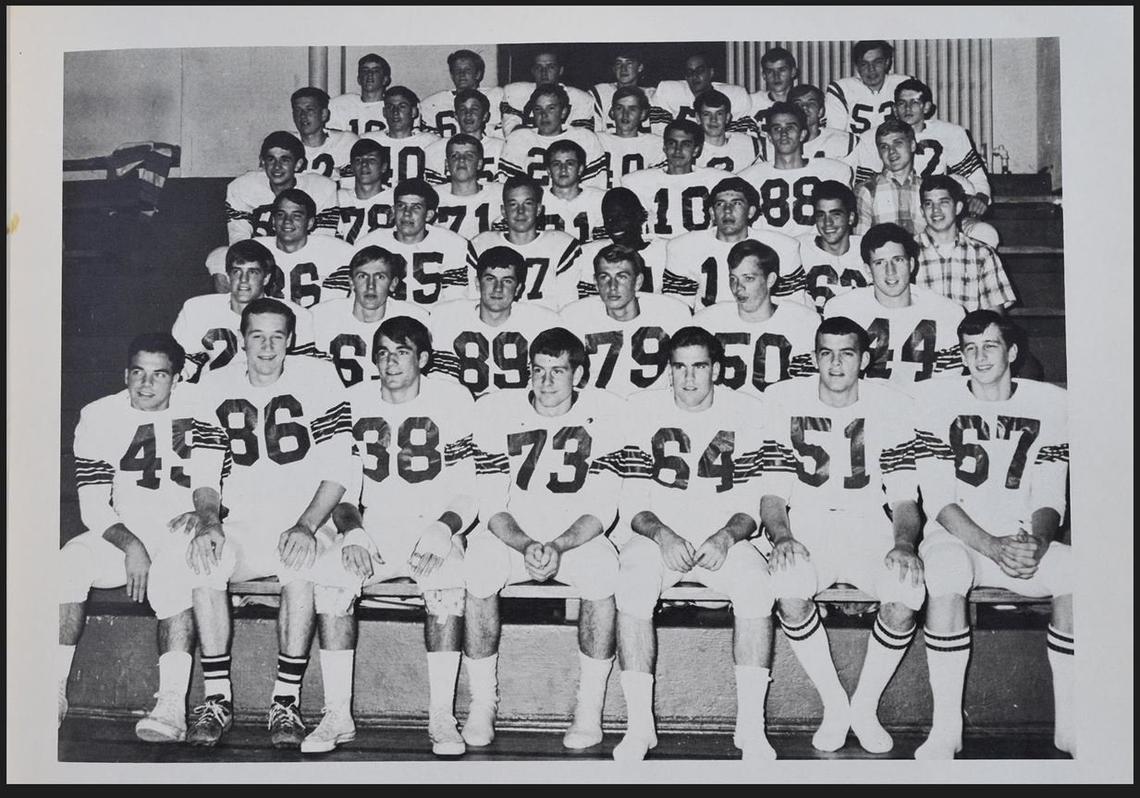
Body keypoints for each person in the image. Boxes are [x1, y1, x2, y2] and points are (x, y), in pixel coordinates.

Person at [153, 298, 356, 749]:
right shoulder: (216, 382)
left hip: (305, 519)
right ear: (241, 338)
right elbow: (204, 472)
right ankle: (218, 699)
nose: (267, 345)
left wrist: (305, 526)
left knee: (300, 568)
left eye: (277, 336)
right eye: (257, 335)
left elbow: (341, 470)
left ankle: (286, 701)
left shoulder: (319, 378)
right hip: (244, 520)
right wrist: (209, 521)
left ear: (292, 340)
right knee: (206, 559)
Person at [303, 316, 478, 756]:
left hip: (434, 523)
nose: (390, 361)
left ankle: (441, 714)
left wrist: (445, 527)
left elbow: (470, 485)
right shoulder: (353, 400)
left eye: (400, 351)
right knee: (330, 575)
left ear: (422, 358)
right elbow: (339, 486)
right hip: (375, 523)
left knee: (446, 582)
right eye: (381, 352)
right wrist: (353, 531)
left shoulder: (453, 397)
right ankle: (336, 712)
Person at [612, 326, 782, 761]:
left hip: (721, 538)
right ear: (669, 370)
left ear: (717, 369)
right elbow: (632, 503)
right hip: (659, 538)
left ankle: (751, 728)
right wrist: (663, 535)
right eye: (680, 367)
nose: (689, 378)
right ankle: (639, 728)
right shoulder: (639, 409)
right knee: (631, 585)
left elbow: (751, 502)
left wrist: (726, 536)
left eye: (699, 367)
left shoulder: (746, 410)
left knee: (757, 587)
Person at [912, 310, 1073, 758]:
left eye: (989, 346)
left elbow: (1050, 494)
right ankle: (946, 728)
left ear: (1013, 351)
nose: (979, 357)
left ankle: (1071, 724)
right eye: (969, 348)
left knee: (1076, 573)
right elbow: (939, 500)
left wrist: (1037, 543)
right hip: (959, 539)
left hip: (1021, 542)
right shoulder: (935, 402)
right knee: (943, 572)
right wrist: (991, 546)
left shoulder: (1048, 402)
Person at [762, 316, 926, 754]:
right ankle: (835, 704)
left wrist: (904, 544)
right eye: (826, 353)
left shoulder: (892, 404)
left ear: (865, 359)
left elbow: (905, 499)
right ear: (814, 357)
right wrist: (781, 537)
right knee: (788, 588)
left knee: (907, 591)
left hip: (868, 522)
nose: (835, 364)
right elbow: (773, 495)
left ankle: (865, 706)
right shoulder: (782, 400)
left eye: (847, 353)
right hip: (808, 522)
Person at [462, 327, 626, 750]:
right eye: (538, 370)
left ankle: (589, 707)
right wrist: (525, 544)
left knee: (604, 572)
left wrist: (558, 546)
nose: (546, 381)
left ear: (580, 377)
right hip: (514, 536)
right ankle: (483, 703)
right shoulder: (497, 411)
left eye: (558, 371)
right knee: (477, 568)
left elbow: (603, 508)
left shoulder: (608, 413)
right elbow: (491, 505)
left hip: (575, 538)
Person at [59, 334, 206, 742]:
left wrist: (208, 513)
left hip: (182, 529)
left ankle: (172, 706)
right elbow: (92, 507)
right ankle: (52, 691)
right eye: (138, 372)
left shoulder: (203, 407)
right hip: (124, 529)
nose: (146, 383)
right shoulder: (98, 415)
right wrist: (132, 545)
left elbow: (231, 481)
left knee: (175, 577)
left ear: (176, 379)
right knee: (68, 562)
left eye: (159, 374)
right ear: (125, 374)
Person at [825, 223, 965, 387]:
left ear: (911, 264)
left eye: (898, 260)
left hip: (925, 407)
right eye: (880, 262)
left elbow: (950, 385)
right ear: (867, 270)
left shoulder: (946, 312)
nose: (890, 271)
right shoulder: (843, 310)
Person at [174, 239, 316, 382]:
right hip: (215, 394)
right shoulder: (198, 309)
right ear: (228, 276)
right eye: (237, 271)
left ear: (266, 278)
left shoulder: (295, 315)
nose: (243, 279)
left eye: (253, 272)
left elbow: (304, 368)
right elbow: (182, 361)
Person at [560, 244, 692, 397]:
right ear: (596, 283)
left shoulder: (672, 312)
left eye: (622, 277)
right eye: (604, 277)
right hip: (596, 409)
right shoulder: (573, 317)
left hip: (654, 407)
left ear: (637, 282)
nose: (612, 286)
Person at [429, 246, 561, 398]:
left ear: (518, 288)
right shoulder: (447, 317)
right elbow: (441, 383)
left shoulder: (542, 321)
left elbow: (545, 386)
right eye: (490, 279)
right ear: (478, 283)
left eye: (507, 281)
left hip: (520, 413)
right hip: (462, 410)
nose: (498, 288)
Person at [693, 239, 819, 395]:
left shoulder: (803, 321)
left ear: (770, 279)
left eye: (748, 278)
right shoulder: (707, 321)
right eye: (733, 279)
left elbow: (806, 389)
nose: (738, 288)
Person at [852, 79, 992, 220]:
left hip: (937, 208)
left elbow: (975, 176)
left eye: (914, 102)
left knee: (983, 232)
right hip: (892, 208)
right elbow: (863, 185)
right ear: (894, 109)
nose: (907, 109)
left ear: (926, 107)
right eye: (902, 103)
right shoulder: (875, 137)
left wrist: (981, 197)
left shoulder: (951, 133)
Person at [663, 176, 804, 310]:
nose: (727, 210)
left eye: (736, 203)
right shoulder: (682, 248)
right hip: (706, 328)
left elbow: (791, 308)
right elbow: (677, 310)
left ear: (750, 212)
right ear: (712, 213)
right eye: (720, 204)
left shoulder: (782, 247)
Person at [310, 245, 431, 389]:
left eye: (380, 277)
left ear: (393, 284)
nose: (370, 286)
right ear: (351, 282)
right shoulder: (320, 316)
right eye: (362, 276)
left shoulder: (415, 317)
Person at [217, 131, 338, 273]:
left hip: (305, 257)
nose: (276, 166)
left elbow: (322, 241)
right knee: (218, 259)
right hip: (258, 257)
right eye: (271, 159)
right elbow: (239, 240)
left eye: (285, 160)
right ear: (262, 161)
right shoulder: (242, 187)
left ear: (298, 164)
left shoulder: (322, 188)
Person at [739, 102, 853, 240]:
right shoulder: (748, 177)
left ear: (803, 134)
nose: (784, 134)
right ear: (769, 137)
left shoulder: (834, 171)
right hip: (767, 252)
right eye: (777, 129)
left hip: (816, 252)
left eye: (790, 128)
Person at [468, 175, 582, 311]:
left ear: (539, 209)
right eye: (513, 204)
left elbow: (567, 306)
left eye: (527, 203)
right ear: (503, 211)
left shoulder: (562, 245)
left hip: (547, 326)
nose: (520, 211)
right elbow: (474, 301)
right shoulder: (481, 244)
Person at [355, 178, 473, 308]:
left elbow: (456, 302)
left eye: (416, 207)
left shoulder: (453, 244)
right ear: (393, 211)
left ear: (428, 215)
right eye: (401, 206)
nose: (406, 213)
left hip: (433, 323)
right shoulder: (369, 244)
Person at [914, 176, 1016, 312]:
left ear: (958, 208)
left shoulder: (983, 254)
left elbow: (995, 316)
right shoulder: (908, 251)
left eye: (943, 202)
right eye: (929, 204)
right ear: (922, 211)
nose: (935, 210)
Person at [245, 189, 355, 309]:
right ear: (273, 221)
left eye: (296, 216)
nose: (287, 221)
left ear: (309, 223)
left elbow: (335, 307)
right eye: (281, 215)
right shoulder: (255, 249)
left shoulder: (336, 251)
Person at [618, 119, 723, 240]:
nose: (678, 150)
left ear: (696, 150)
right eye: (672, 143)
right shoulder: (637, 181)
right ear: (664, 147)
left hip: (700, 251)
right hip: (657, 251)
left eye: (686, 144)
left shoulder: (715, 179)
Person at [498, 83, 607, 190]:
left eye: (551, 108)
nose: (543, 115)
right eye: (538, 109)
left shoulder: (584, 138)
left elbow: (594, 187)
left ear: (563, 112)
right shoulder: (518, 139)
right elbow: (510, 189)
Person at [575, 187, 668, 298]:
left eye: (622, 217)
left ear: (639, 216)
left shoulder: (664, 252)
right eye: (609, 219)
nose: (615, 224)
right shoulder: (590, 254)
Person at [796, 180, 870, 312]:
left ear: (851, 218)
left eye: (835, 214)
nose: (827, 223)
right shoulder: (798, 249)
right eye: (821, 215)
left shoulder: (867, 248)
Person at [824, 40, 911, 137]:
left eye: (877, 62)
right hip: (855, 150)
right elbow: (835, 134)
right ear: (857, 67)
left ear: (887, 62)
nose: (871, 69)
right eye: (864, 64)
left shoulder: (904, 83)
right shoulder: (841, 90)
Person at [500, 49, 595, 136]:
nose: (544, 73)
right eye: (538, 67)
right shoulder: (515, 93)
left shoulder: (581, 99)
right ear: (532, 71)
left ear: (560, 70)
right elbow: (512, 134)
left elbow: (581, 137)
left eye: (551, 67)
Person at [430, 134, 505, 240]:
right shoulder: (432, 195)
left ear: (479, 164)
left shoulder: (499, 193)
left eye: (469, 155)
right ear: (447, 164)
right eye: (455, 155)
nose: (461, 160)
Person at [652, 52, 752, 132]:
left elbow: (738, 139)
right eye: (690, 72)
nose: (694, 76)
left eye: (700, 71)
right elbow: (660, 134)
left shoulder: (735, 95)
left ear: (711, 73)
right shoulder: (668, 91)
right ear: (685, 77)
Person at [361, 86, 441, 186]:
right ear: (384, 112)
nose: (395, 112)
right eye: (390, 107)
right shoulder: (367, 140)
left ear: (413, 112)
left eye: (402, 106)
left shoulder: (432, 141)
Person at [424, 90, 505, 186]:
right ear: (456, 116)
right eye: (463, 109)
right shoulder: (436, 149)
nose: (468, 114)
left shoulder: (500, 148)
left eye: (474, 109)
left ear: (485, 116)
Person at [420, 49, 504, 138]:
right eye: (457, 70)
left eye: (467, 70)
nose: (462, 74)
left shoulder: (497, 96)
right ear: (452, 75)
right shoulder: (433, 102)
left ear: (478, 74)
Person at [595, 87, 666, 189]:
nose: (625, 114)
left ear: (642, 114)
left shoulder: (656, 144)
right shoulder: (597, 140)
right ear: (612, 112)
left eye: (632, 109)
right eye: (619, 108)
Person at [539, 139, 607, 244]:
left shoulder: (599, 199)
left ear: (580, 169)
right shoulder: (537, 197)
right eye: (556, 164)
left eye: (569, 163)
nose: (563, 169)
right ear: (548, 170)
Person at [590, 48, 669, 134]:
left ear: (640, 67)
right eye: (618, 63)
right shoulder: (601, 92)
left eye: (629, 63)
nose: (623, 69)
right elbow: (595, 134)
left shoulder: (653, 96)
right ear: (614, 69)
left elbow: (660, 134)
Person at [291, 87, 358, 185]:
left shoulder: (346, 142)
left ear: (323, 114)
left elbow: (352, 188)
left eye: (309, 110)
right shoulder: (284, 144)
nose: (302, 116)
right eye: (298, 110)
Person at [334, 139, 395, 246]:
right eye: (358, 160)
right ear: (352, 167)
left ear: (383, 167)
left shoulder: (395, 198)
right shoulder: (338, 197)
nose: (364, 165)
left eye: (371, 160)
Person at [694, 89, 763, 173]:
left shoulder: (747, 144)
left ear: (727, 117)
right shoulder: (690, 149)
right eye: (707, 114)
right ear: (698, 118)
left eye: (719, 114)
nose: (713, 120)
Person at [788, 84, 859, 163]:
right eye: (797, 104)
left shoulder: (843, 141)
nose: (804, 107)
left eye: (811, 103)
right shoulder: (780, 143)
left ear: (820, 111)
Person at [328, 53, 390, 136]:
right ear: (359, 79)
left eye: (375, 71)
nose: (370, 74)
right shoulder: (340, 104)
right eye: (365, 70)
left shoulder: (393, 107)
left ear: (385, 79)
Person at [750, 47, 799, 133]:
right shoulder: (751, 102)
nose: (776, 76)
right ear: (764, 75)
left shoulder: (805, 103)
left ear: (793, 72)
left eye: (782, 70)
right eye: (770, 71)